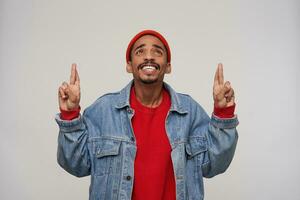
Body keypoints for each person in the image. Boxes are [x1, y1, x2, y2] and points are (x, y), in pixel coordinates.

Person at [55, 30, 239, 200]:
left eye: (157, 52)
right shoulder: (103, 110)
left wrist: (223, 113)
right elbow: (76, 165)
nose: (149, 56)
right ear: (129, 65)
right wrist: (70, 114)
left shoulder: (189, 111)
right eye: (140, 52)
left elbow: (214, 165)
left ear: (168, 66)